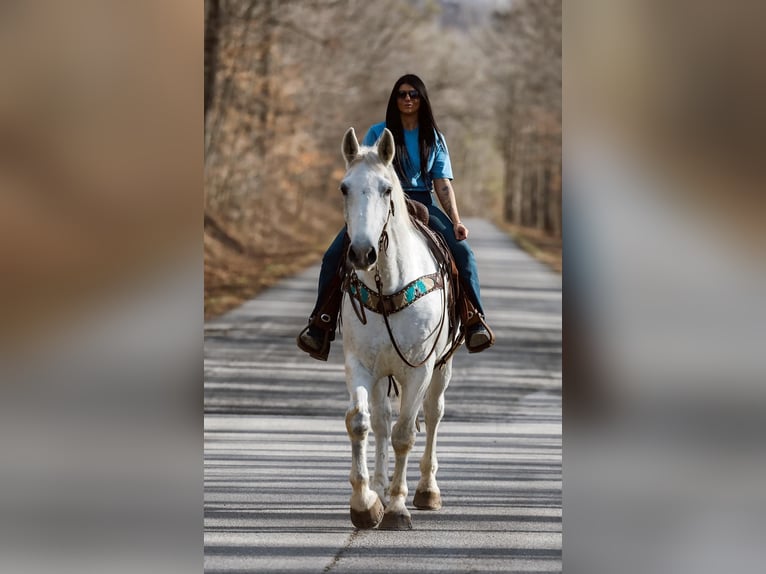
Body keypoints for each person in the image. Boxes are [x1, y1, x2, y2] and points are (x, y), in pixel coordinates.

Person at [297, 73, 494, 360]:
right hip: (381, 203)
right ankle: (320, 323)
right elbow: (363, 173)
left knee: (463, 254)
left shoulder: (434, 138)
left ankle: (473, 318)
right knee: (333, 256)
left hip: (422, 201)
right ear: (395, 98)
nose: (407, 99)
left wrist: (456, 220)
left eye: (413, 94)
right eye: (402, 94)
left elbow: (442, 183)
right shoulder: (378, 133)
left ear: (422, 99)